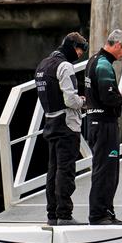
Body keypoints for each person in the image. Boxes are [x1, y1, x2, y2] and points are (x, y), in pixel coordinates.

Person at [85, 29, 122, 225]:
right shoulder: (104, 64)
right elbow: (108, 97)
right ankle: (99, 214)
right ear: (117, 45)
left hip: (93, 121)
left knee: (102, 168)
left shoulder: (93, 60)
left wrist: (121, 97)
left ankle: (103, 212)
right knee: (106, 170)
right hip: (104, 124)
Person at [35, 32, 88, 226]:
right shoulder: (64, 66)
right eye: (80, 49)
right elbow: (69, 99)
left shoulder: (43, 65)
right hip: (67, 124)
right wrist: (83, 101)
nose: (81, 54)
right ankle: (64, 214)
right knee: (65, 170)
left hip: (50, 121)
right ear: (72, 46)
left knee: (52, 170)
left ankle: (52, 215)